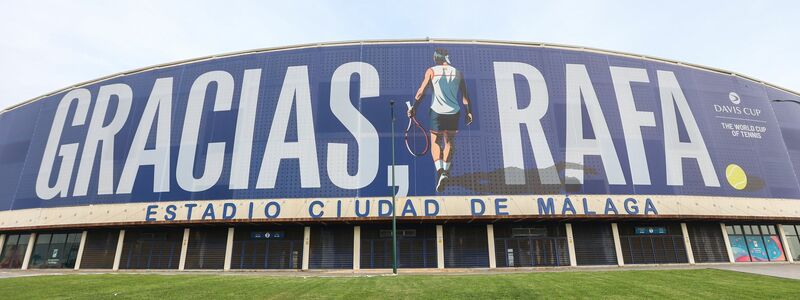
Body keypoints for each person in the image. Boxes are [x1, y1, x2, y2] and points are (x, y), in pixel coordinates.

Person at [408, 48, 474, 192]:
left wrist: (414, 107)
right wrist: (469, 112)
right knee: (449, 142)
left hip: (437, 112)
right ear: (446, 57)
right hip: (454, 112)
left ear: (436, 58)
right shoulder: (458, 73)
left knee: (435, 141)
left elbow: (421, 91)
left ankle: (440, 172)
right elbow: (465, 96)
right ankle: (446, 171)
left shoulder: (431, 71)